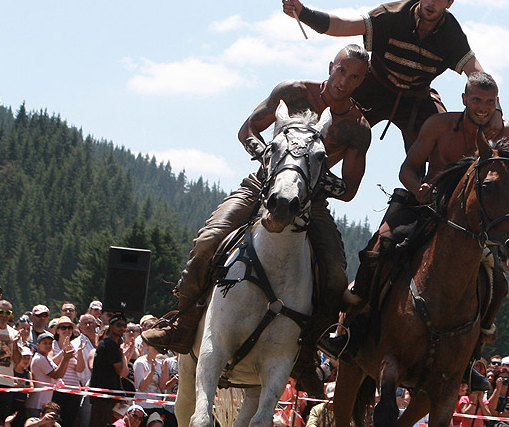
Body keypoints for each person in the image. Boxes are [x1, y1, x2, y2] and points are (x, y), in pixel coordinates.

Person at [143, 46, 372, 392]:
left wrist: (310, 177)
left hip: (311, 202)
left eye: (354, 77)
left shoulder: (357, 128)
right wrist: (272, 159)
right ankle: (184, 320)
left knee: (335, 277)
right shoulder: (293, 92)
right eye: (341, 71)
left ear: (361, 81)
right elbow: (247, 130)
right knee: (207, 241)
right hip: (261, 186)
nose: (344, 81)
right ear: (331, 66)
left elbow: (350, 189)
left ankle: (307, 354)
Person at [330, 71, 509, 374]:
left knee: (497, 285)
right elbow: (408, 168)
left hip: (472, 223)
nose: (482, 107)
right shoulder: (438, 125)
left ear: (496, 102)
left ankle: (470, 359)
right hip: (425, 206)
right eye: (476, 100)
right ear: (464, 100)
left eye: (489, 101)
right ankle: (351, 333)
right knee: (377, 251)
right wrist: (418, 188)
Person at [281, 0, 488, 150]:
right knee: (330, 134)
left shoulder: (452, 34)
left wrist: (492, 109)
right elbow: (343, 25)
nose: (431, 2)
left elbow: (476, 72)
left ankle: (420, 194)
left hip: (415, 98)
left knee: (441, 143)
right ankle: (301, 182)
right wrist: (304, 13)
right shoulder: (392, 15)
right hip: (374, 87)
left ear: (449, 3)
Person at [81, 315, 130, 427]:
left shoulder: (109, 344)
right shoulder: (110, 345)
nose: (122, 328)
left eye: (124, 325)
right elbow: (121, 370)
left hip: (107, 394)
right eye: (119, 325)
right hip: (103, 394)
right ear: (111, 326)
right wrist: (122, 353)